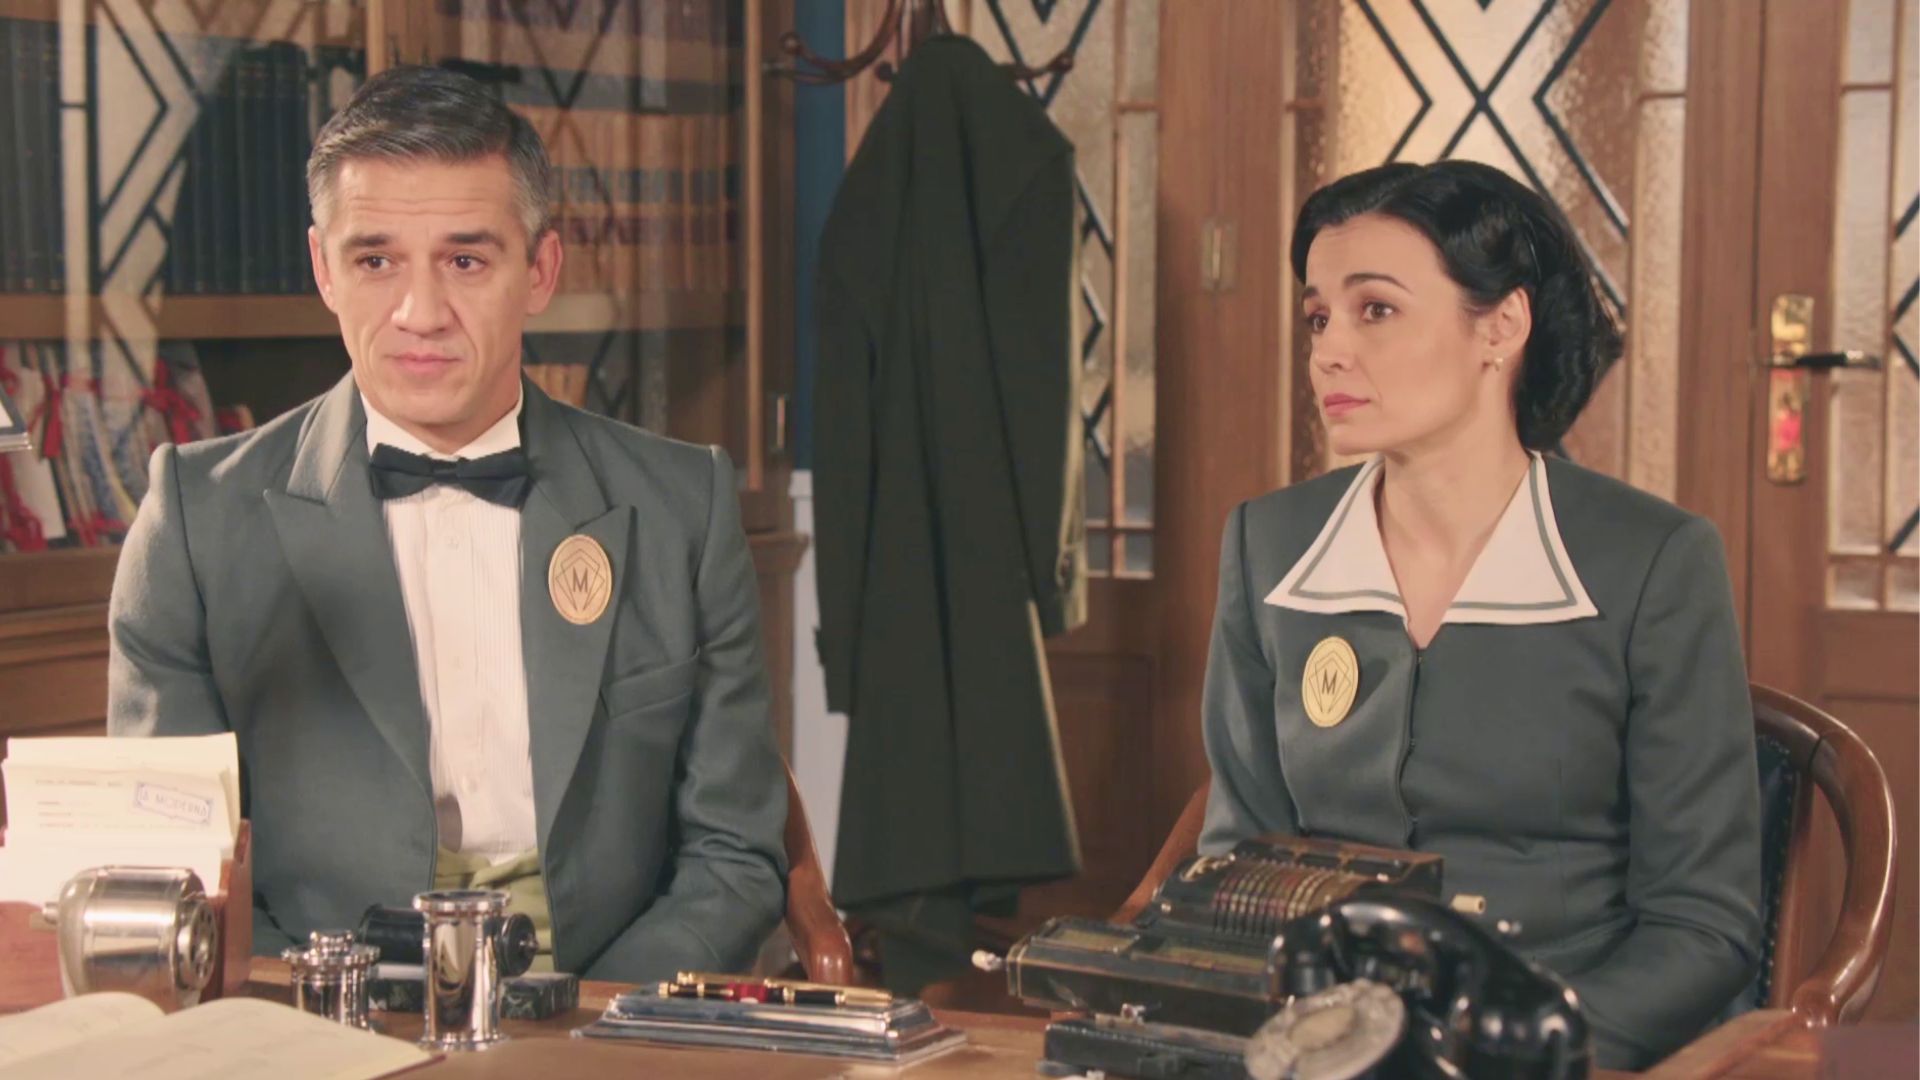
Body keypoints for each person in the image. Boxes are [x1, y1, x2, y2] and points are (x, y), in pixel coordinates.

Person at [107, 65, 788, 981]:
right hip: (321, 1011)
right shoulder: (196, 520)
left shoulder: (682, 506)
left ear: (540, 270)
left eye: (465, 261)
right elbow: (175, 866)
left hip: (607, 1005)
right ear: (324, 269)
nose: (419, 314)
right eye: (375, 261)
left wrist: (601, 1020)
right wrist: (324, 1007)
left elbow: (735, 856)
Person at [1199, 160, 1761, 1069]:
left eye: (1375, 309)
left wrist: (1529, 1050)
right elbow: (1238, 867)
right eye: (1318, 317)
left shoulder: (1653, 560)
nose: (1329, 350)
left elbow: (1703, 925)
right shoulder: (1268, 544)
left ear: (1501, 326)